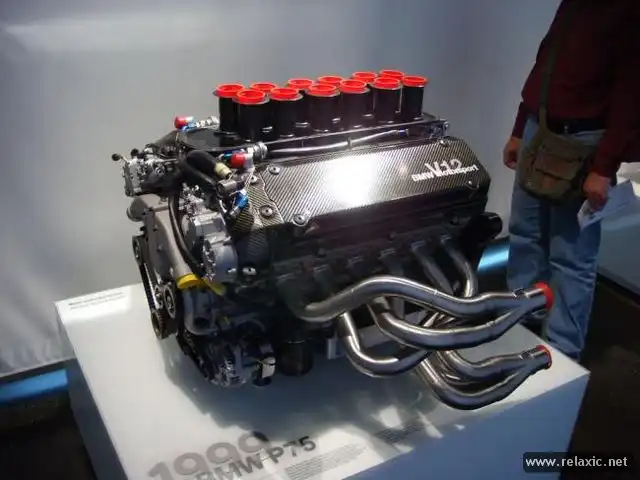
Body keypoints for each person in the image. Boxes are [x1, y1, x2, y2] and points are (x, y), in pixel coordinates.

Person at [503, 0, 640, 361]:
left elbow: (630, 94)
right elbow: (546, 62)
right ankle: (519, 328)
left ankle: (561, 353)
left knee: (572, 256)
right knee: (525, 236)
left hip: (583, 142)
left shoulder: (628, 11)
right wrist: (520, 128)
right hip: (539, 129)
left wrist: (604, 168)